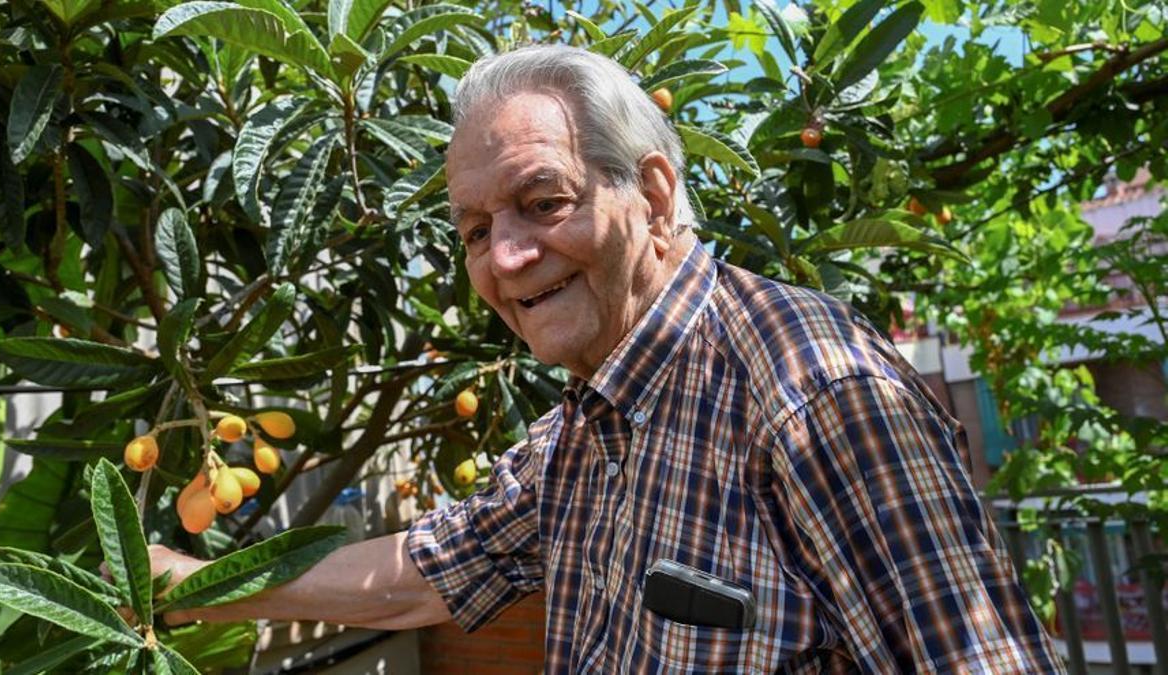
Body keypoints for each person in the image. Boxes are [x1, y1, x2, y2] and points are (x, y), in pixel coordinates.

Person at [151, 45, 1066, 672]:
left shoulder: (816, 393)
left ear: (655, 195)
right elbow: (415, 579)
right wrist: (188, 585)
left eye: (543, 202)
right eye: (476, 229)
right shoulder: (588, 427)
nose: (505, 259)